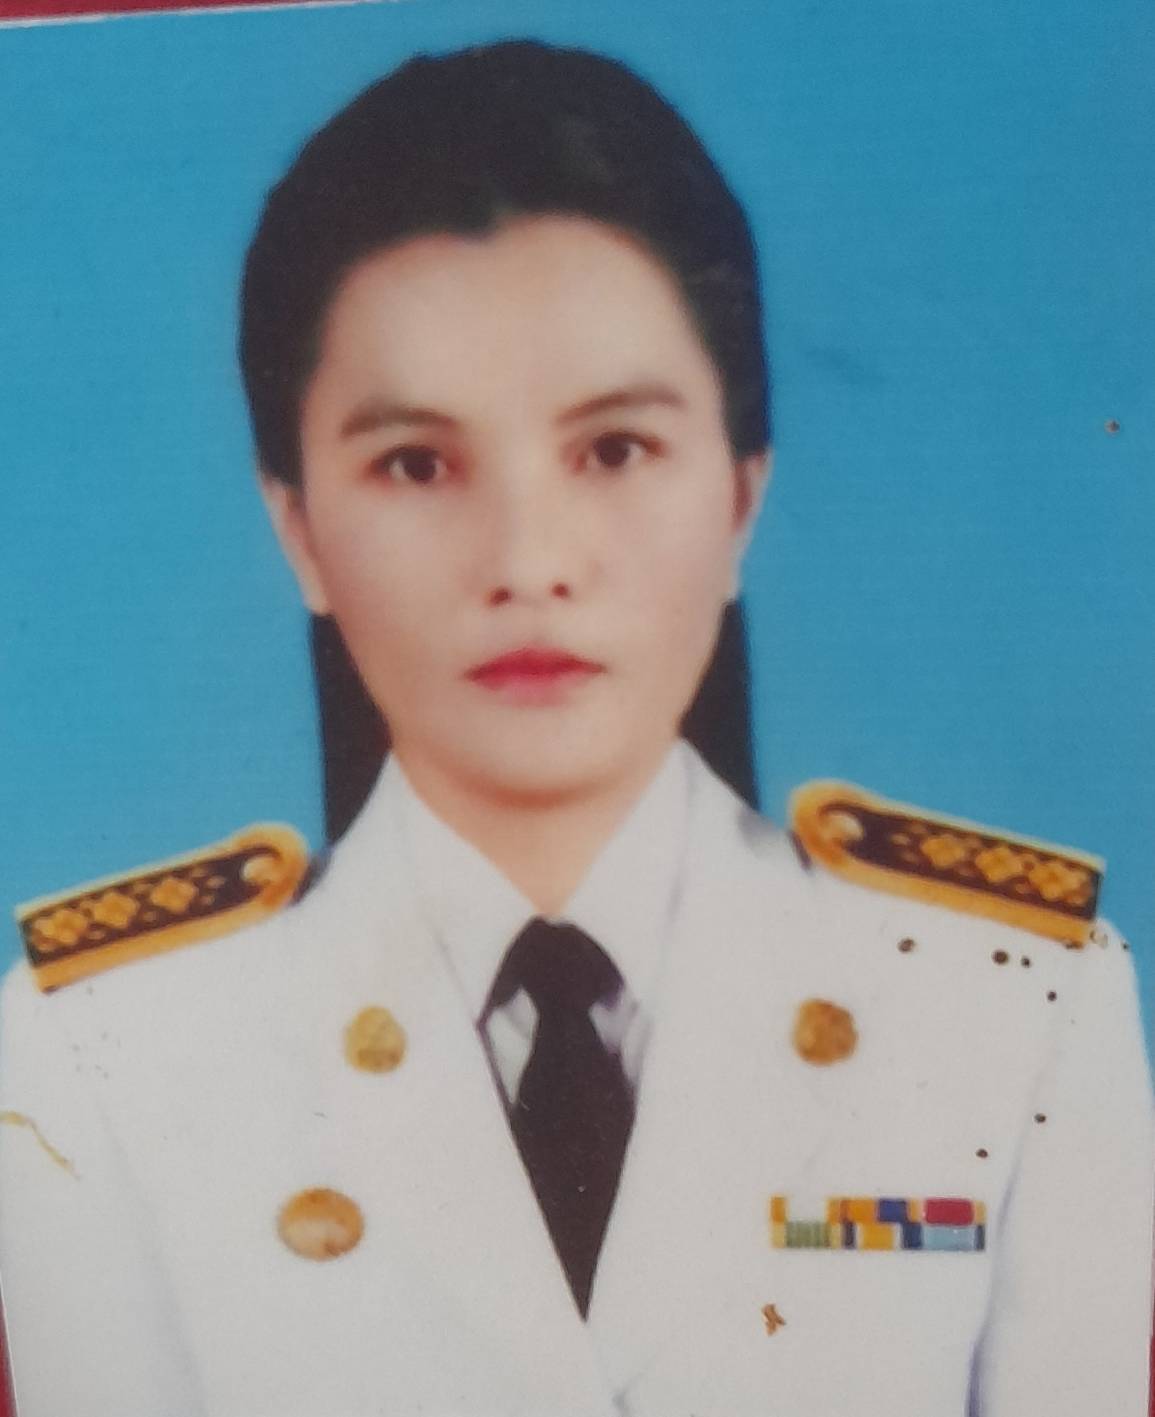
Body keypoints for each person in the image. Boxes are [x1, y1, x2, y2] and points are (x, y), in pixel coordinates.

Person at [0, 39, 1151, 1417]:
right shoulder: (108, 1053)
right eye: (415, 464)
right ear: (297, 528)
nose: (529, 560)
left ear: (741, 494)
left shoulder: (1013, 1005)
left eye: (614, 449)